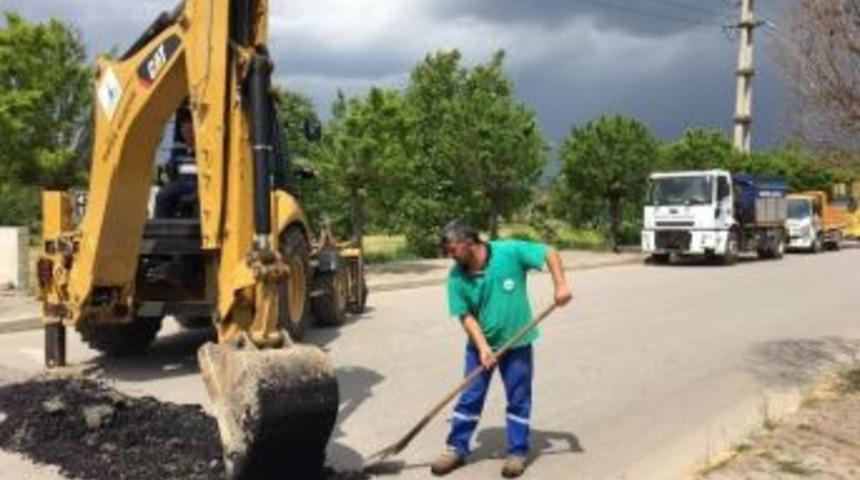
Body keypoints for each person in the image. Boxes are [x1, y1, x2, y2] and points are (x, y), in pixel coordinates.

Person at [431, 219, 573, 478]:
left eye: (452, 250)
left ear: (468, 243)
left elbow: (549, 252)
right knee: (469, 398)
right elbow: (465, 316)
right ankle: (456, 448)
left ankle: (517, 453)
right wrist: (483, 347)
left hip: (517, 343)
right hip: (479, 348)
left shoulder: (509, 252)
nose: (449, 256)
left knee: (518, 399)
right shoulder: (457, 276)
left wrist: (560, 285)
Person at [155, 106, 197, 218]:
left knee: (164, 195)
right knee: (162, 194)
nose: (186, 133)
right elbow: (168, 171)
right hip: (179, 185)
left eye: (189, 130)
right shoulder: (179, 152)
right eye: (184, 129)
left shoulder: (203, 153)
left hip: (196, 185)